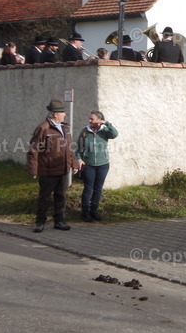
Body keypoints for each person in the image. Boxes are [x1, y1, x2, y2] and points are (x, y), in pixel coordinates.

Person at [27, 99, 77, 233]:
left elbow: (69, 149)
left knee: (61, 197)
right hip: (48, 171)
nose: (65, 114)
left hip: (63, 169)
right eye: (62, 112)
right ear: (55, 114)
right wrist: (33, 169)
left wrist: (74, 163)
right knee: (45, 198)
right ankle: (40, 222)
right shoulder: (43, 128)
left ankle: (59, 221)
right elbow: (33, 150)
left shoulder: (65, 128)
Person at [74, 111, 118, 222]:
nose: (89, 121)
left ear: (99, 120)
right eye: (89, 118)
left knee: (98, 189)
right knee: (88, 189)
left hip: (103, 165)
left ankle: (94, 211)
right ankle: (85, 213)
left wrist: (106, 123)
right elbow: (78, 148)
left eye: (92, 119)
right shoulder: (85, 131)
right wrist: (79, 159)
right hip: (88, 165)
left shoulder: (105, 131)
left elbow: (114, 134)